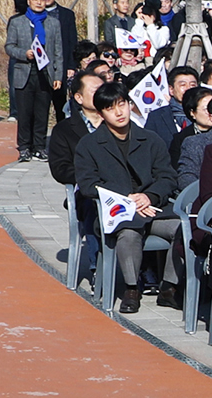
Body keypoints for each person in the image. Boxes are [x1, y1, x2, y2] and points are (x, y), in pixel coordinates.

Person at [75, 84, 184, 313]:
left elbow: (167, 176)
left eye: (122, 104)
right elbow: (87, 185)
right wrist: (128, 199)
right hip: (117, 211)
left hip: (152, 208)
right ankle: (131, 288)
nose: (119, 112)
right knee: (129, 234)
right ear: (101, 113)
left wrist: (149, 195)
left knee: (182, 227)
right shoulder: (89, 145)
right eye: (110, 108)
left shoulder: (150, 139)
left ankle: (169, 287)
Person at [5, 0, 66, 161]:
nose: (40, 2)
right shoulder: (17, 22)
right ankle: (24, 147)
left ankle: (39, 146)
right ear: (29, 1)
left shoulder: (53, 23)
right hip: (24, 71)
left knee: (42, 112)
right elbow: (9, 47)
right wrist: (24, 54)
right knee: (24, 113)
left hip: (45, 73)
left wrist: (58, 75)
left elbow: (58, 51)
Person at [46, 69, 110, 187]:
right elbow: (60, 169)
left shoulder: (118, 124)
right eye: (95, 91)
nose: (101, 95)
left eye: (103, 90)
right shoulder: (63, 130)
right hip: (86, 192)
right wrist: (94, 178)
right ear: (79, 97)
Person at [143, 66, 201, 146]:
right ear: (171, 90)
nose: (188, 89)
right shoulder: (156, 116)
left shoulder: (205, 114)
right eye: (183, 85)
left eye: (192, 85)